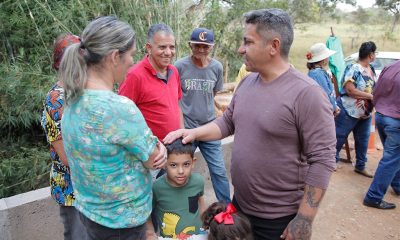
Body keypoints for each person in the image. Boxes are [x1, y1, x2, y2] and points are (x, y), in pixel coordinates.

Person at [164, 8, 336, 240]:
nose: (240, 49)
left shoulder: (307, 94)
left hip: (278, 219)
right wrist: (191, 133)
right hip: (241, 208)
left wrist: (304, 218)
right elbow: (227, 123)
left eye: (248, 42)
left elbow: (323, 160)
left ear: (273, 46)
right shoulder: (247, 84)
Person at [59, 16, 167, 240]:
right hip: (123, 223)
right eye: (131, 55)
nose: (132, 62)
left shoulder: (71, 100)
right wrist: (160, 148)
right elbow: (153, 158)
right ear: (115, 56)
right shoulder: (119, 109)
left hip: (90, 214)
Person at [119, 23, 183, 179]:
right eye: (162, 47)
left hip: (174, 151)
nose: (168, 52)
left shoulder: (174, 71)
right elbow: (122, 117)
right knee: (153, 200)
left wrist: (181, 137)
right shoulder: (134, 75)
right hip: (151, 157)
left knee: (171, 199)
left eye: (172, 47)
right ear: (149, 48)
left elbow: (177, 105)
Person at [174, 27, 231, 203]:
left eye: (205, 46)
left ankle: (226, 209)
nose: (201, 49)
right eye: (197, 45)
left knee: (219, 170)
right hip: (186, 128)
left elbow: (213, 93)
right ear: (190, 45)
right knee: (179, 170)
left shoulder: (216, 68)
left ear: (211, 47)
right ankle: (178, 207)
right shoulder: (179, 67)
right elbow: (175, 96)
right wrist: (181, 126)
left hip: (209, 128)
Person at [41, 33, 87, 240]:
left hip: (90, 185)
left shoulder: (83, 91)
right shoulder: (56, 99)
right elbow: (66, 155)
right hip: (71, 187)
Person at [149, 138, 206, 238]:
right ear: (164, 164)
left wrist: (206, 223)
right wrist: (150, 234)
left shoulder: (198, 182)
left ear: (193, 162)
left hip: (197, 236)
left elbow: (201, 202)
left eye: (186, 164)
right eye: (174, 165)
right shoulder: (156, 188)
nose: (181, 171)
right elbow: (147, 214)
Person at [335, 41, 377, 178]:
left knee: (363, 140)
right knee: (339, 136)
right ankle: (330, 161)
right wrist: (370, 96)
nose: (375, 55)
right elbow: (350, 90)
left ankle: (360, 166)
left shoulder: (371, 69)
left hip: (365, 114)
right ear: (370, 55)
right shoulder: (353, 68)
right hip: (349, 110)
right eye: (375, 53)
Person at [363, 60, 400, 210]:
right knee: (391, 159)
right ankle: (373, 197)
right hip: (396, 121)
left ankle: (398, 185)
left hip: (381, 116)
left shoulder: (391, 66)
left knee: (393, 157)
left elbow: (375, 91)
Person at [306, 43, 340, 116]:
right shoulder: (317, 74)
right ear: (324, 59)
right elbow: (326, 94)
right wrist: (334, 108)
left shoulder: (315, 72)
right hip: (323, 112)